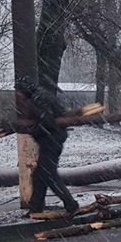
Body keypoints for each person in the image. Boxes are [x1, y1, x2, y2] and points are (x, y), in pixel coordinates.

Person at [15, 78, 80, 216]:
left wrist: (31, 130)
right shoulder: (40, 97)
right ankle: (36, 208)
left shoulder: (37, 101)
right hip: (52, 140)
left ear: (24, 90)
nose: (17, 95)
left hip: (51, 141)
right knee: (39, 175)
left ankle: (71, 205)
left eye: (18, 91)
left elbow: (47, 122)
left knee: (49, 175)